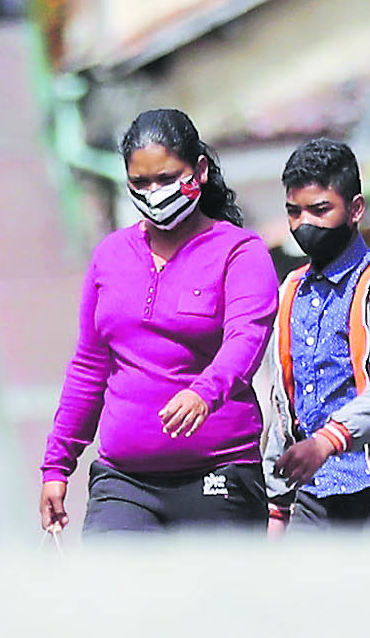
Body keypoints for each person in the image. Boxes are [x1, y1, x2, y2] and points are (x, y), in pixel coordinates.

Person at [39, 109, 280, 537]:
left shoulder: (240, 253)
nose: (155, 193)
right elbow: (89, 367)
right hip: (125, 482)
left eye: (167, 179)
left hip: (217, 475)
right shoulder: (110, 256)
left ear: (199, 171)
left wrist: (205, 393)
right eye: (141, 184)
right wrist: (58, 465)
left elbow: (247, 338)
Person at [261, 138, 370, 531]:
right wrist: (276, 507)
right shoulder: (289, 292)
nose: (305, 224)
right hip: (313, 502)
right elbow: (287, 406)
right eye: (294, 212)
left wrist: (328, 441)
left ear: (355, 209)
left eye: (320, 210)